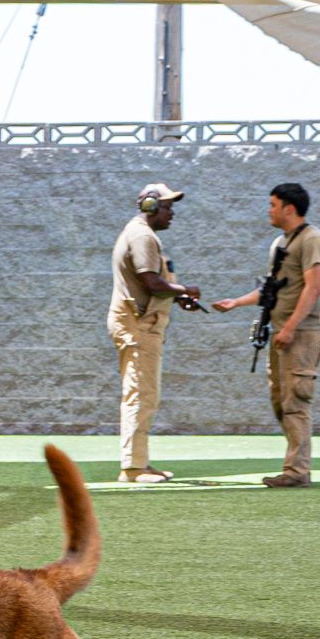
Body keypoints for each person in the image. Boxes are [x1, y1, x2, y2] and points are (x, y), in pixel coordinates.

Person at [212, 183, 320, 487]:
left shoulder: (312, 239)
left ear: (289, 208)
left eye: (273, 204)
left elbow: (313, 287)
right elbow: (271, 289)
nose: (269, 210)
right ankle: (295, 468)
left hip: (302, 333)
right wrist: (236, 302)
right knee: (281, 401)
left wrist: (290, 327)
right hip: (282, 333)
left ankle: (297, 472)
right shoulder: (282, 242)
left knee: (296, 402)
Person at [107, 183, 204, 483]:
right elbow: (150, 281)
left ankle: (140, 463)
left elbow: (153, 284)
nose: (171, 213)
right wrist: (185, 290)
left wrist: (177, 296)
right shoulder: (142, 236)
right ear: (149, 206)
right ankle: (133, 468)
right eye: (167, 206)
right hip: (137, 327)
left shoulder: (142, 234)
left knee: (145, 394)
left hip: (141, 324)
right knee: (140, 394)